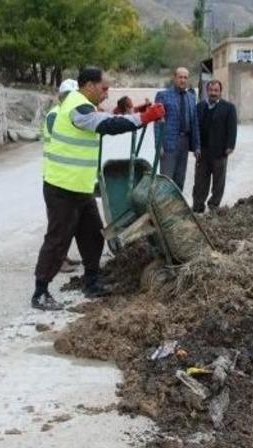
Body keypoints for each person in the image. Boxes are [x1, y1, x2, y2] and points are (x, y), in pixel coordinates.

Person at [32, 67, 166, 311]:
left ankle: (92, 283)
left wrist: (136, 112)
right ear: (89, 85)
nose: (106, 93)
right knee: (58, 240)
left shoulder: (83, 105)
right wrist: (143, 118)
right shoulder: (77, 106)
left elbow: (106, 117)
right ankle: (40, 292)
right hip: (62, 187)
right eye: (104, 88)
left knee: (93, 235)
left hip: (79, 188)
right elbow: (106, 124)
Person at [42, 79, 83, 273]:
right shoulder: (56, 115)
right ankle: (57, 261)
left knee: (68, 222)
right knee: (58, 224)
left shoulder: (66, 113)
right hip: (56, 177)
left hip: (66, 176)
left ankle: (62, 257)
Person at [192, 80, 237, 214]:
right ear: (207, 91)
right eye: (211, 90)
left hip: (220, 151)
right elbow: (195, 128)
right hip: (202, 151)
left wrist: (230, 145)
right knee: (200, 181)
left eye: (216, 90)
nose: (213, 93)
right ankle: (198, 205)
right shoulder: (199, 107)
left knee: (218, 181)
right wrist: (195, 146)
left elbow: (232, 128)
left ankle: (213, 205)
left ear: (220, 92)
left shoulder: (229, 108)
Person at [154, 67, 200, 191]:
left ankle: (176, 203)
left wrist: (197, 146)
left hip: (185, 142)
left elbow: (194, 122)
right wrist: (158, 145)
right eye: (180, 77)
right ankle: (163, 203)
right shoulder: (163, 96)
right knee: (166, 179)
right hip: (168, 144)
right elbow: (157, 122)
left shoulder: (191, 97)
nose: (183, 80)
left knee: (180, 179)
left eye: (185, 77)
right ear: (174, 78)